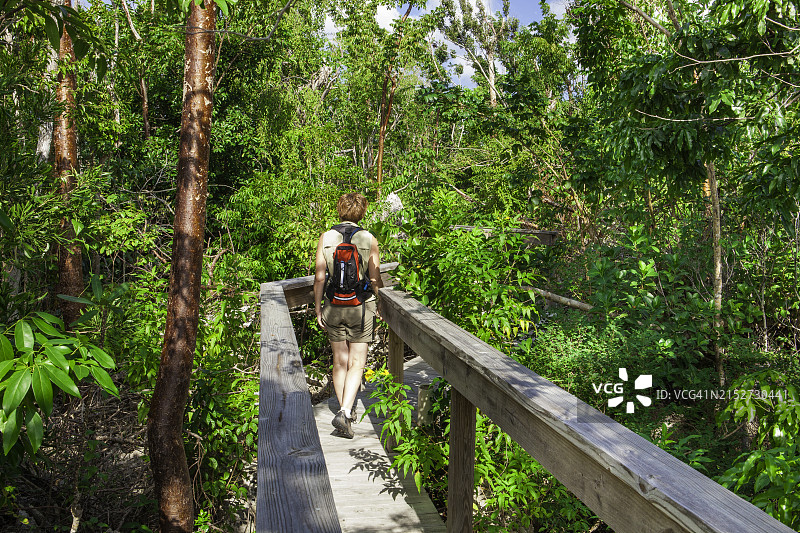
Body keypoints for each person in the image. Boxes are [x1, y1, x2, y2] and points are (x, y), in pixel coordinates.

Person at [314, 193, 383, 439]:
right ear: (362, 212)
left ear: (340, 210)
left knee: (339, 361)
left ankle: (344, 408)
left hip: (333, 305)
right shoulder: (369, 239)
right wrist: (381, 304)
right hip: (361, 307)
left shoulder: (326, 237)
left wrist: (318, 307)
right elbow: (374, 278)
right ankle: (345, 411)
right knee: (356, 362)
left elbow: (320, 277)